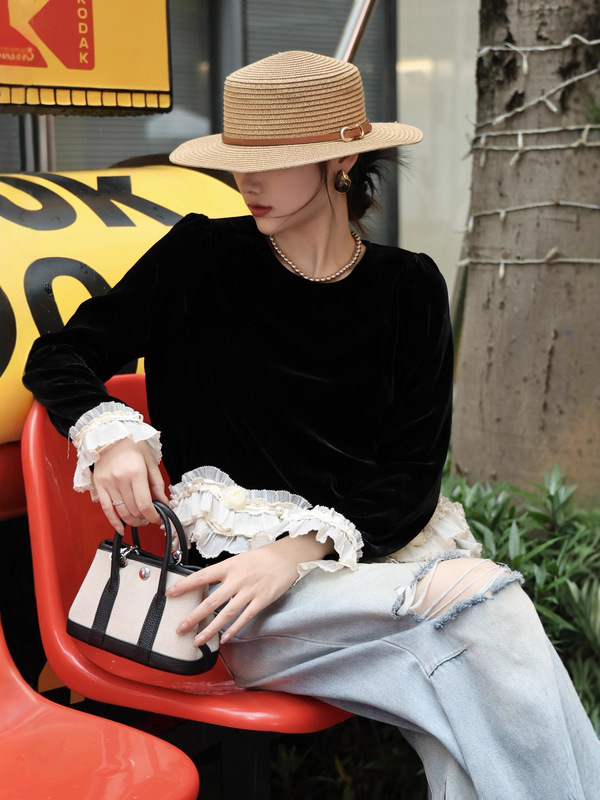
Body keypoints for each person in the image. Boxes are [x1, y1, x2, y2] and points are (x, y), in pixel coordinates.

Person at [23, 51, 600, 798]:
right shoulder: (201, 257)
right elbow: (61, 353)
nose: (248, 180)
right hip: (238, 598)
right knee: (481, 607)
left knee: (460, 695)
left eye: (271, 159)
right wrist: (111, 432)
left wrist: (297, 552)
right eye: (239, 158)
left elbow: (410, 476)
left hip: (366, 572)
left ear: (342, 159)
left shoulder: (408, 287)